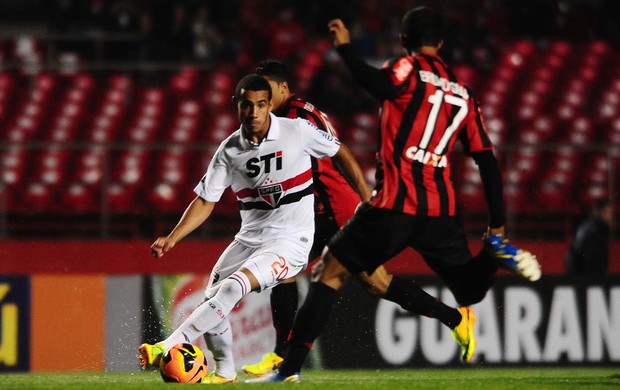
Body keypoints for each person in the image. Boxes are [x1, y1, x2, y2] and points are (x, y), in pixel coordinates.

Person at [251, 7, 541, 383]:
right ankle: (493, 255)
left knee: (329, 274)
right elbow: (487, 162)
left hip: (395, 202)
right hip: (441, 209)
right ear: (441, 42)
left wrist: (345, 50)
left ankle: (287, 370)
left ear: (404, 41)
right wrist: (497, 224)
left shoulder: (407, 69)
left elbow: (380, 85)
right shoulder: (465, 94)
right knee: (469, 288)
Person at [137, 74, 370, 383]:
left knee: (235, 286)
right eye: (248, 105)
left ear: (269, 105)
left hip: (291, 241)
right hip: (249, 239)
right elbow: (205, 201)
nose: (255, 113)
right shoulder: (230, 150)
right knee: (212, 296)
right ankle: (224, 371)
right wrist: (173, 237)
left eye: (261, 105)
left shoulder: (297, 131)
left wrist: (366, 198)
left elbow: (339, 152)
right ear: (238, 107)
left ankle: (168, 345)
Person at [240, 59, 374, 376]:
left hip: (337, 208)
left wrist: (366, 199)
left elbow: (341, 154)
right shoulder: (285, 115)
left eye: (267, 90)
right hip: (314, 214)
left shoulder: (297, 116)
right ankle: (282, 357)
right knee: (283, 272)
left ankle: (452, 317)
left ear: (283, 87)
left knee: (374, 282)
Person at [565, 198, 613, 276]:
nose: (611, 217)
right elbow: (592, 260)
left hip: (577, 275)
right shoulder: (595, 231)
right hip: (585, 277)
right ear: (600, 213)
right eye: (608, 213)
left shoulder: (587, 226)